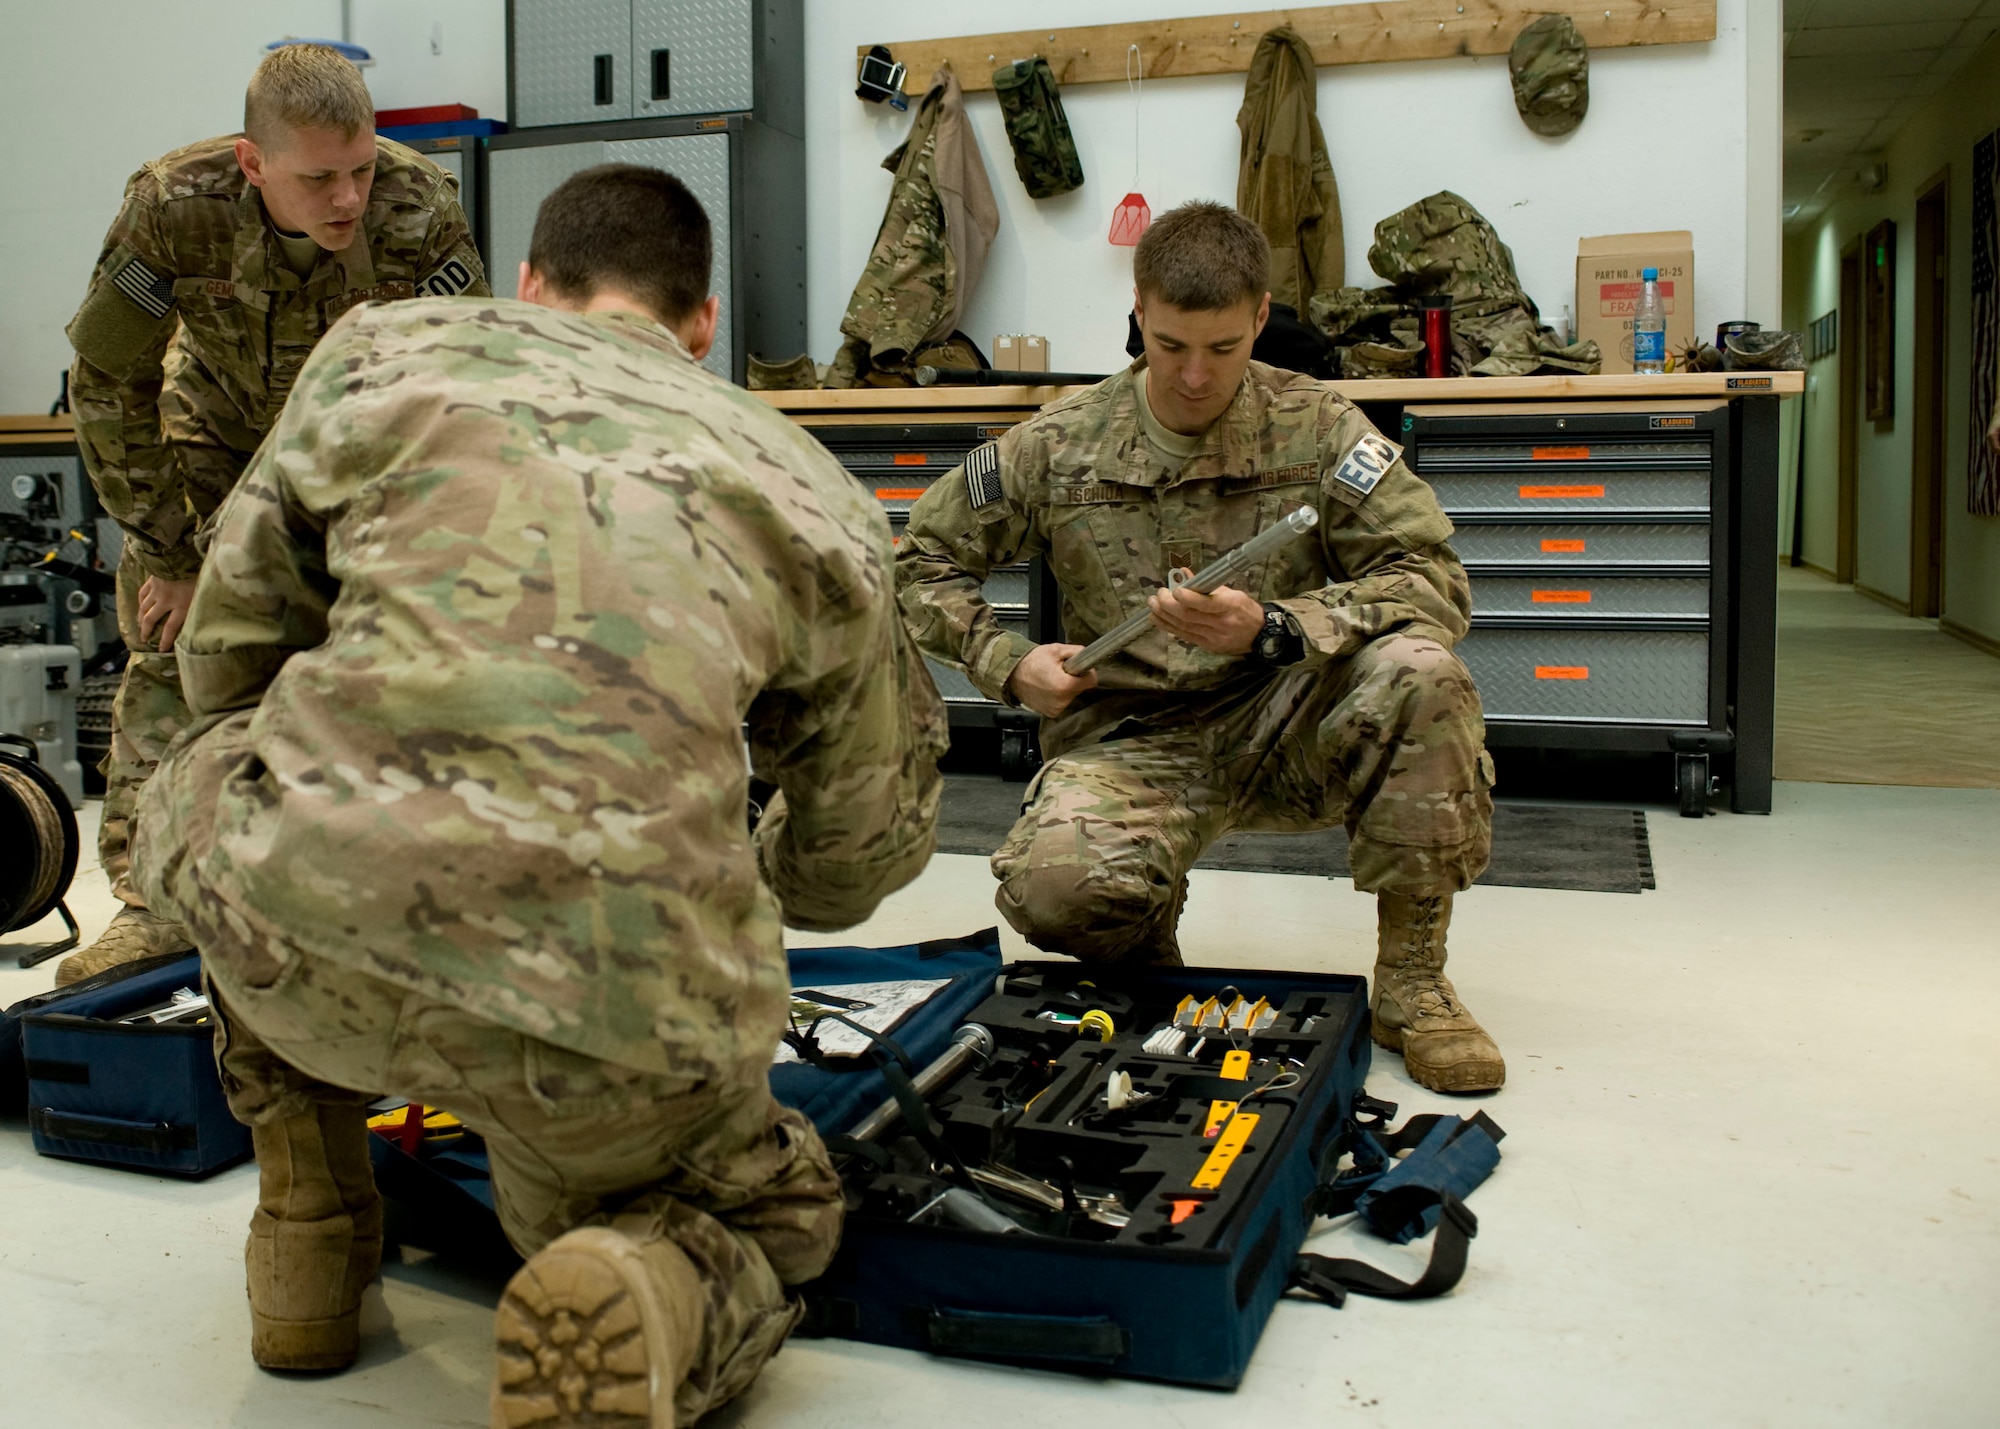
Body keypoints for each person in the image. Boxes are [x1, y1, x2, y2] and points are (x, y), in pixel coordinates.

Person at [129, 164, 946, 1424]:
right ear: (702, 324)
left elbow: (225, 654)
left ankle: (309, 1225)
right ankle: (639, 1276)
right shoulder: (813, 491)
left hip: (297, 945)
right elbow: (857, 853)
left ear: (526, 285)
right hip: (602, 1020)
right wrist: (752, 867)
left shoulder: (378, 353)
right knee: (770, 1214)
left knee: (219, 752)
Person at [897, 200, 1504, 1094]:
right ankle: (1142, 940)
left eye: (1222, 348)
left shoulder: (1319, 424)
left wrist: (1278, 626)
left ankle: (1412, 981)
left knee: (1422, 672)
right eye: (1169, 344)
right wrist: (1008, 663)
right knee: (1055, 890)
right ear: (1139, 311)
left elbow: (1433, 578)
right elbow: (918, 561)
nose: (1192, 375)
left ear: (1260, 317)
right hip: (1131, 736)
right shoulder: (1059, 442)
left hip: (1287, 720)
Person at [59, 42, 488, 986]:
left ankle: (386, 894)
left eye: (361, 169)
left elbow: (463, 388)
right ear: (254, 162)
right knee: (173, 647)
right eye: (320, 179)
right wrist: (170, 552)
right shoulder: (176, 205)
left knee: (394, 650)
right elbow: (107, 379)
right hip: (211, 424)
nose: (349, 198)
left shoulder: (419, 207)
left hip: (355, 437)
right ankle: (154, 907)